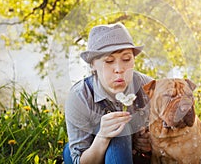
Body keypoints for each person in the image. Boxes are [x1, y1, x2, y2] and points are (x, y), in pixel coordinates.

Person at [64, 23, 153, 164]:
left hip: (134, 157)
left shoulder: (149, 87)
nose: (119, 69)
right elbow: (79, 160)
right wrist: (102, 137)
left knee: (122, 131)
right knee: (118, 131)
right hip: (90, 156)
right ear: (93, 64)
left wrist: (151, 142)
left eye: (126, 59)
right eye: (109, 61)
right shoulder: (80, 96)